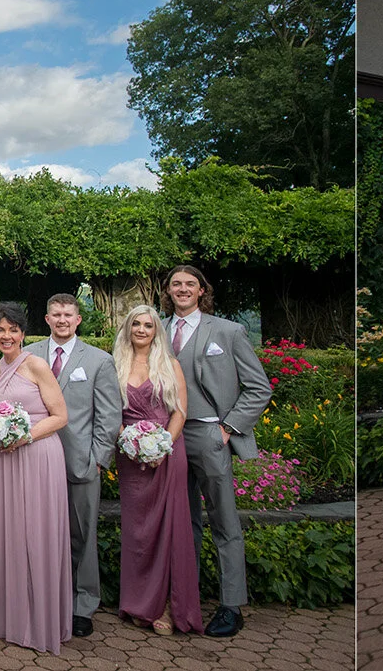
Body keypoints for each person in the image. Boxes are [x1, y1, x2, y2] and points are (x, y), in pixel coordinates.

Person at [166, 266, 273, 637]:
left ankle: (232, 606)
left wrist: (227, 429)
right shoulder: (156, 330)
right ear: (168, 291)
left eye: (189, 284)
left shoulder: (228, 331)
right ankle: (186, 601)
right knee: (183, 522)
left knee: (224, 522)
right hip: (168, 438)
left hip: (210, 435)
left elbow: (259, 388)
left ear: (201, 291)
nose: (182, 289)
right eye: (176, 284)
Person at [0, 303, 74, 654]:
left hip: (36, 455)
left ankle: (42, 622)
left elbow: (60, 415)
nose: (6, 336)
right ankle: (13, 620)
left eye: (13, 330)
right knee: (11, 534)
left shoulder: (36, 365)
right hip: (4, 461)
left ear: (23, 333)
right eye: (0, 330)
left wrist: (24, 435)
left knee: (37, 533)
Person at [113, 305, 203, 634]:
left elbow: (180, 411)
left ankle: (167, 605)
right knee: (138, 531)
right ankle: (139, 604)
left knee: (169, 529)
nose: (141, 329)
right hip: (130, 454)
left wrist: (162, 444)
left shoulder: (170, 364)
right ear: (127, 328)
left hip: (167, 452)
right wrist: (131, 443)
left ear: (156, 331)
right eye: (135, 323)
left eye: (148, 325)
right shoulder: (116, 365)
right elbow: (111, 413)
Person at [39, 294, 120, 637]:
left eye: (67, 315)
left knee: (81, 536)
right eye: (55, 314)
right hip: (38, 460)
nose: (61, 320)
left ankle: (83, 604)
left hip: (79, 463)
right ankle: (45, 600)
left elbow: (109, 415)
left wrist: (98, 460)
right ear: (46, 319)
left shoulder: (99, 361)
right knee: (41, 534)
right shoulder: (29, 356)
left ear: (78, 320)